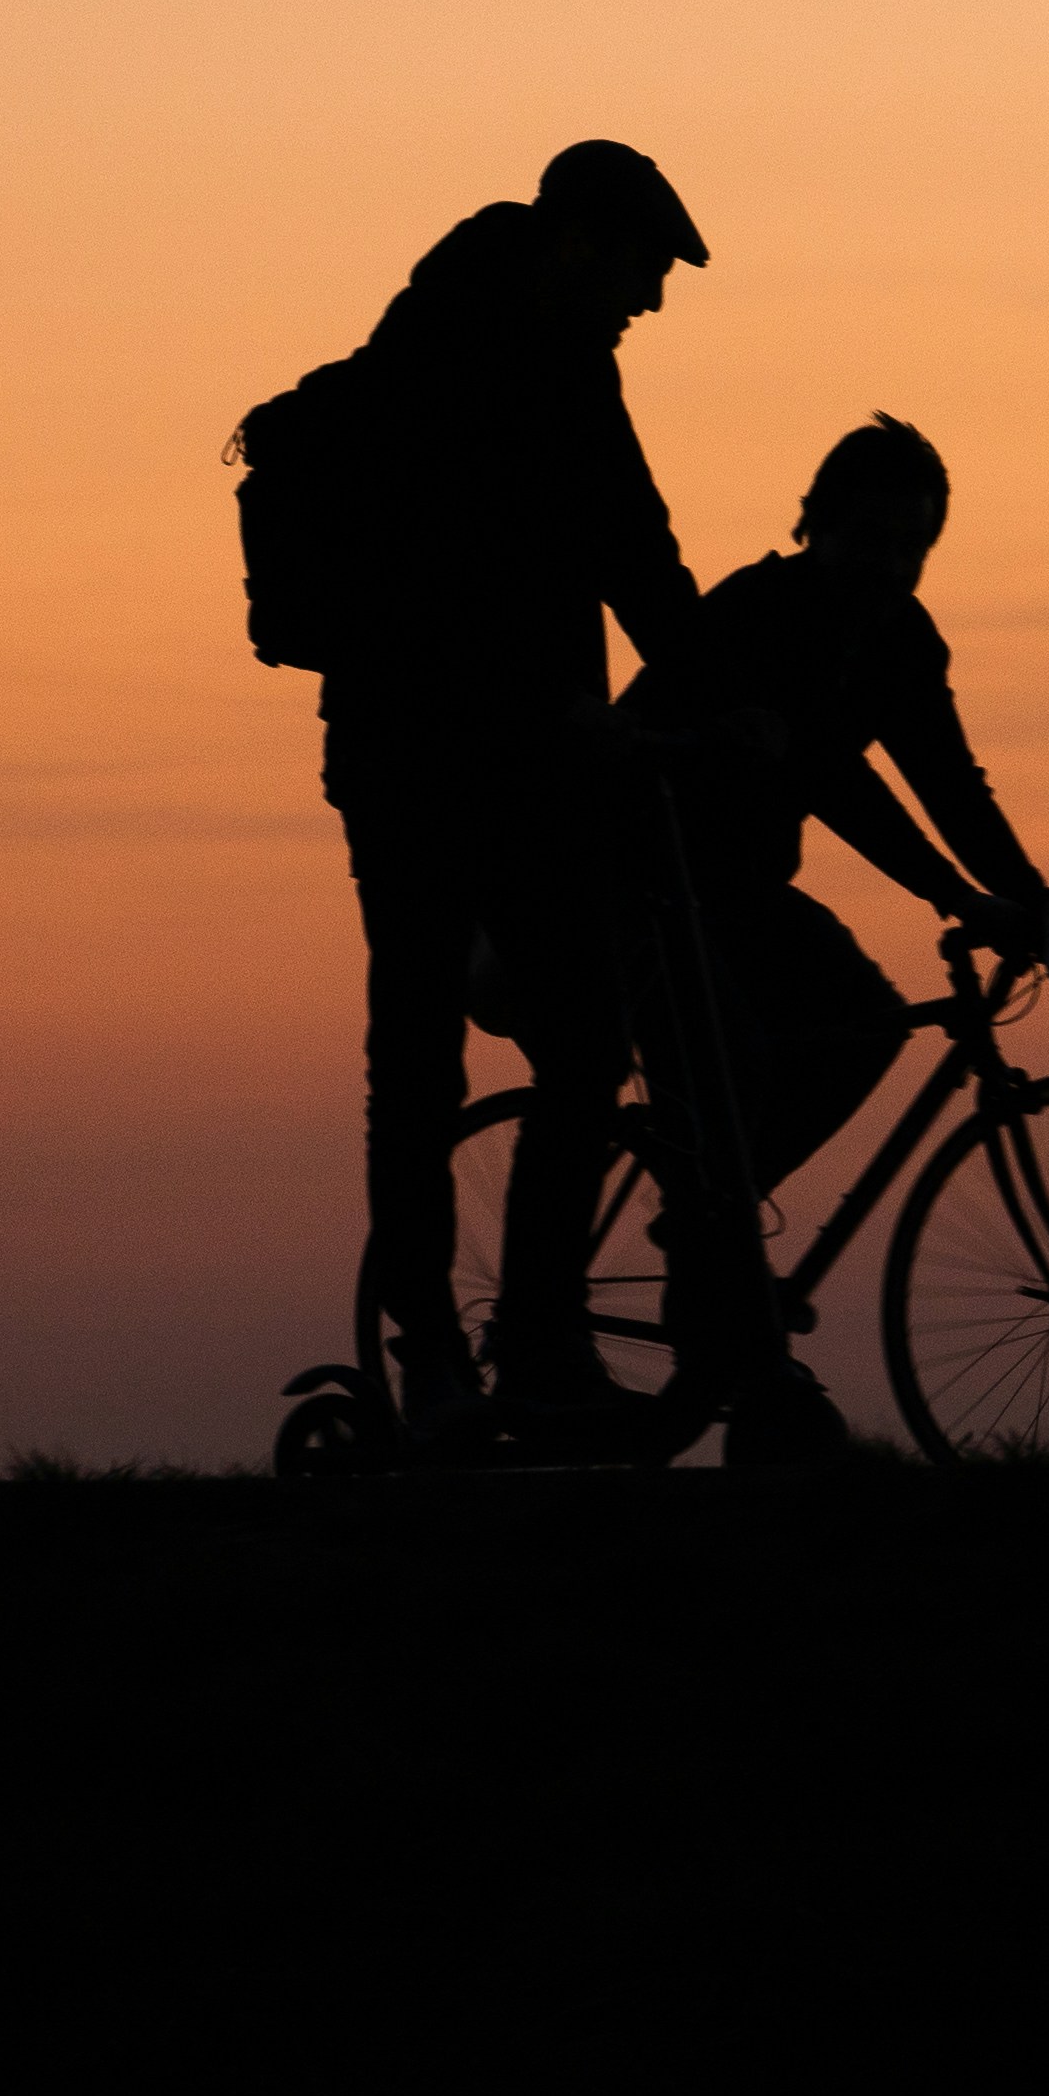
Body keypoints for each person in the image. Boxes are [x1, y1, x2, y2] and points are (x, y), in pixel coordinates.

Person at [307, 141, 709, 1454]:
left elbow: (626, 547)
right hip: (448, 758)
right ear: (585, 243)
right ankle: (463, 1362)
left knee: (482, 1056)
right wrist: (716, 700)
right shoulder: (493, 353)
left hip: (457, 755)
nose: (651, 300)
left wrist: (691, 687)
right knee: (469, 1056)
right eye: (647, 269)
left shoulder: (473, 332)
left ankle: (491, 1360)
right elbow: (629, 546)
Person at [611, 414, 1049, 1457]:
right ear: (815, 523)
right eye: (872, 540)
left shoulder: (902, 639)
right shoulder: (759, 610)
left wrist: (1028, 894)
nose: (890, 566)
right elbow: (834, 780)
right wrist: (956, 896)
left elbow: (946, 776)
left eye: (912, 547)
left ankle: (710, 1248)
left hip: (739, 891)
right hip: (638, 882)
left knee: (862, 1022)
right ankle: (717, 1277)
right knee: (728, 1069)